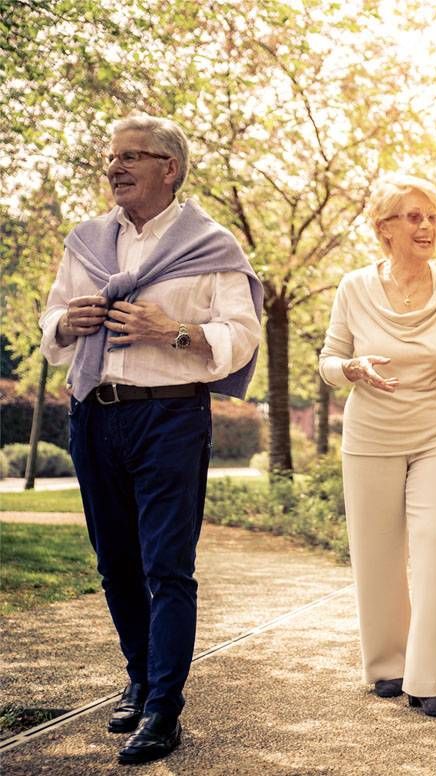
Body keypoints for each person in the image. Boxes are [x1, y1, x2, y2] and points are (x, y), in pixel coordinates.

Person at [39, 115, 262, 765]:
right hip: (94, 415)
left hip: (169, 416)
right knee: (116, 564)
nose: (115, 167)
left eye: (131, 156)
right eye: (110, 157)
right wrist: (66, 321)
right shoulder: (84, 242)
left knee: (167, 566)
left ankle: (164, 707)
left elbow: (240, 335)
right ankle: (139, 676)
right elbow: (51, 319)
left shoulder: (213, 245)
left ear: (171, 168)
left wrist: (175, 332)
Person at [318, 174, 436, 718]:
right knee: (377, 550)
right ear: (384, 229)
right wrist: (351, 369)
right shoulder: (353, 287)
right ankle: (387, 664)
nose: (427, 226)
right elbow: (328, 360)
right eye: (414, 217)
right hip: (371, 435)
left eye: (433, 216)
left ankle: (428, 678)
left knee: (435, 543)